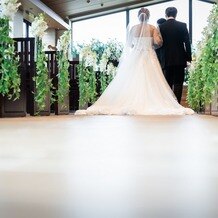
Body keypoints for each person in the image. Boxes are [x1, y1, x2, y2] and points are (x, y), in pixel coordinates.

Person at [75, 8, 194, 115]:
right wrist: (152, 45)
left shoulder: (133, 28)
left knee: (132, 79)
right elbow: (158, 42)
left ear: (139, 16)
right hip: (149, 55)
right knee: (153, 80)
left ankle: (130, 101)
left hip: (136, 55)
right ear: (148, 16)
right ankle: (161, 103)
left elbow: (129, 43)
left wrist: (138, 45)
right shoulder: (153, 28)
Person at [159, 7, 192, 103]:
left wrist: (161, 59)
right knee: (178, 83)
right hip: (180, 59)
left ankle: (169, 104)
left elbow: (160, 44)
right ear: (176, 14)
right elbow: (187, 42)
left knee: (167, 84)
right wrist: (188, 57)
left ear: (166, 14)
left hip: (166, 59)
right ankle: (177, 104)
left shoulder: (161, 27)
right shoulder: (182, 25)